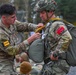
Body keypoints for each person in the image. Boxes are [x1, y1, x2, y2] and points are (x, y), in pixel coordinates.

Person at [0, 4, 43, 75]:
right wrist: (29, 40)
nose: (15, 18)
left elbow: (24, 26)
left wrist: (36, 27)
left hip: (12, 62)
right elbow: (11, 50)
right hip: (3, 65)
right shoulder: (1, 33)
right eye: (13, 17)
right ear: (4, 17)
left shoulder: (12, 23)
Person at [34, 0, 72, 75]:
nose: (40, 15)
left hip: (57, 65)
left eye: (43, 13)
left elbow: (67, 38)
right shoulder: (49, 25)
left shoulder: (57, 24)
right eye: (40, 13)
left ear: (50, 12)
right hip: (51, 64)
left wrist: (55, 53)